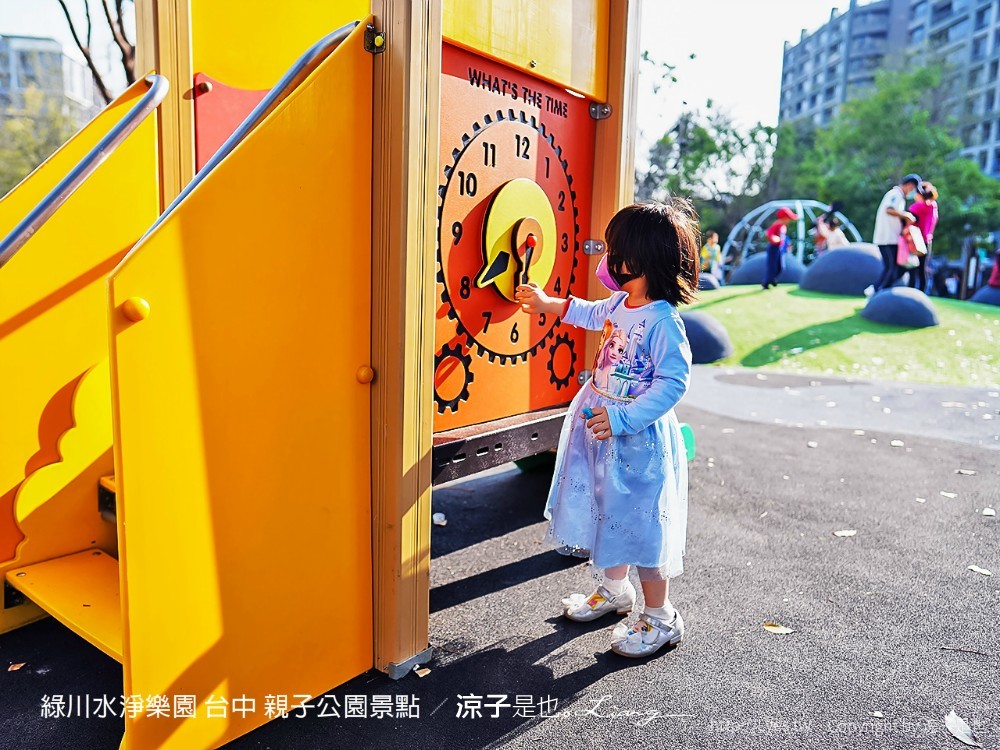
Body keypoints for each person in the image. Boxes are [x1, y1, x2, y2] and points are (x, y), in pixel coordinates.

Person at [514, 199, 698, 659]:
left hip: (637, 439)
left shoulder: (663, 321)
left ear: (640, 261)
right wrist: (546, 304)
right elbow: (589, 313)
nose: (607, 261)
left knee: (644, 524)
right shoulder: (621, 303)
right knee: (605, 510)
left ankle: (661, 617)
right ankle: (615, 590)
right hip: (603, 429)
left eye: (615, 252)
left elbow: (673, 382)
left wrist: (623, 418)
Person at [869, 174, 920, 295]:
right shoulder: (895, 194)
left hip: (892, 238)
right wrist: (906, 215)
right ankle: (877, 290)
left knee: (897, 267)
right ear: (910, 186)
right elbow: (889, 209)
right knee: (891, 267)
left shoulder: (899, 196)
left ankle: (878, 289)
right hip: (887, 239)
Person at [906, 181, 939, 292]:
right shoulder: (933, 206)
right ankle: (922, 292)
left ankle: (910, 291)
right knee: (922, 269)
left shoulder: (917, 207)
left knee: (912, 267)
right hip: (927, 241)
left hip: (915, 241)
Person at [762, 207, 798, 289]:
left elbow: (783, 237)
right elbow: (769, 233)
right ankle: (766, 282)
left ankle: (772, 279)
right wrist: (774, 238)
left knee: (780, 267)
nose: (789, 220)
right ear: (784, 218)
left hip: (779, 248)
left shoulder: (783, 226)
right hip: (773, 247)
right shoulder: (777, 224)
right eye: (788, 218)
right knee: (772, 266)